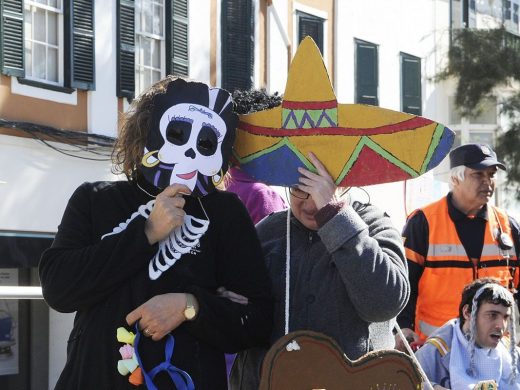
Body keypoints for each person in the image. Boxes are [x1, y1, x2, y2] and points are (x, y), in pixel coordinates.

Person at [39, 77, 273, 389]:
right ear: (146, 132)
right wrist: (146, 232)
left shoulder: (223, 212)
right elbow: (59, 288)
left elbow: (257, 320)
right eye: (176, 134)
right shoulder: (95, 199)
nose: (190, 153)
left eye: (205, 143)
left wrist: (191, 306)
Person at [229, 151, 410, 389]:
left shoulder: (374, 225)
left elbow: (385, 304)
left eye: (324, 189)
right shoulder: (267, 232)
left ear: (348, 183)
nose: (311, 203)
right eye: (299, 189)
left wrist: (335, 216)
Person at [396, 143, 520, 351]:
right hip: (438, 349)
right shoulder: (423, 223)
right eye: (478, 174)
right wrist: (403, 327)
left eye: (491, 174)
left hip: (496, 351)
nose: (487, 182)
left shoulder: (508, 226)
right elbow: (404, 284)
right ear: (455, 179)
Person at [416, 278, 520, 389]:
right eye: (492, 315)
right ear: (467, 313)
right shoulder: (434, 354)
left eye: (505, 317)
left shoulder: (512, 354)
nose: (501, 325)